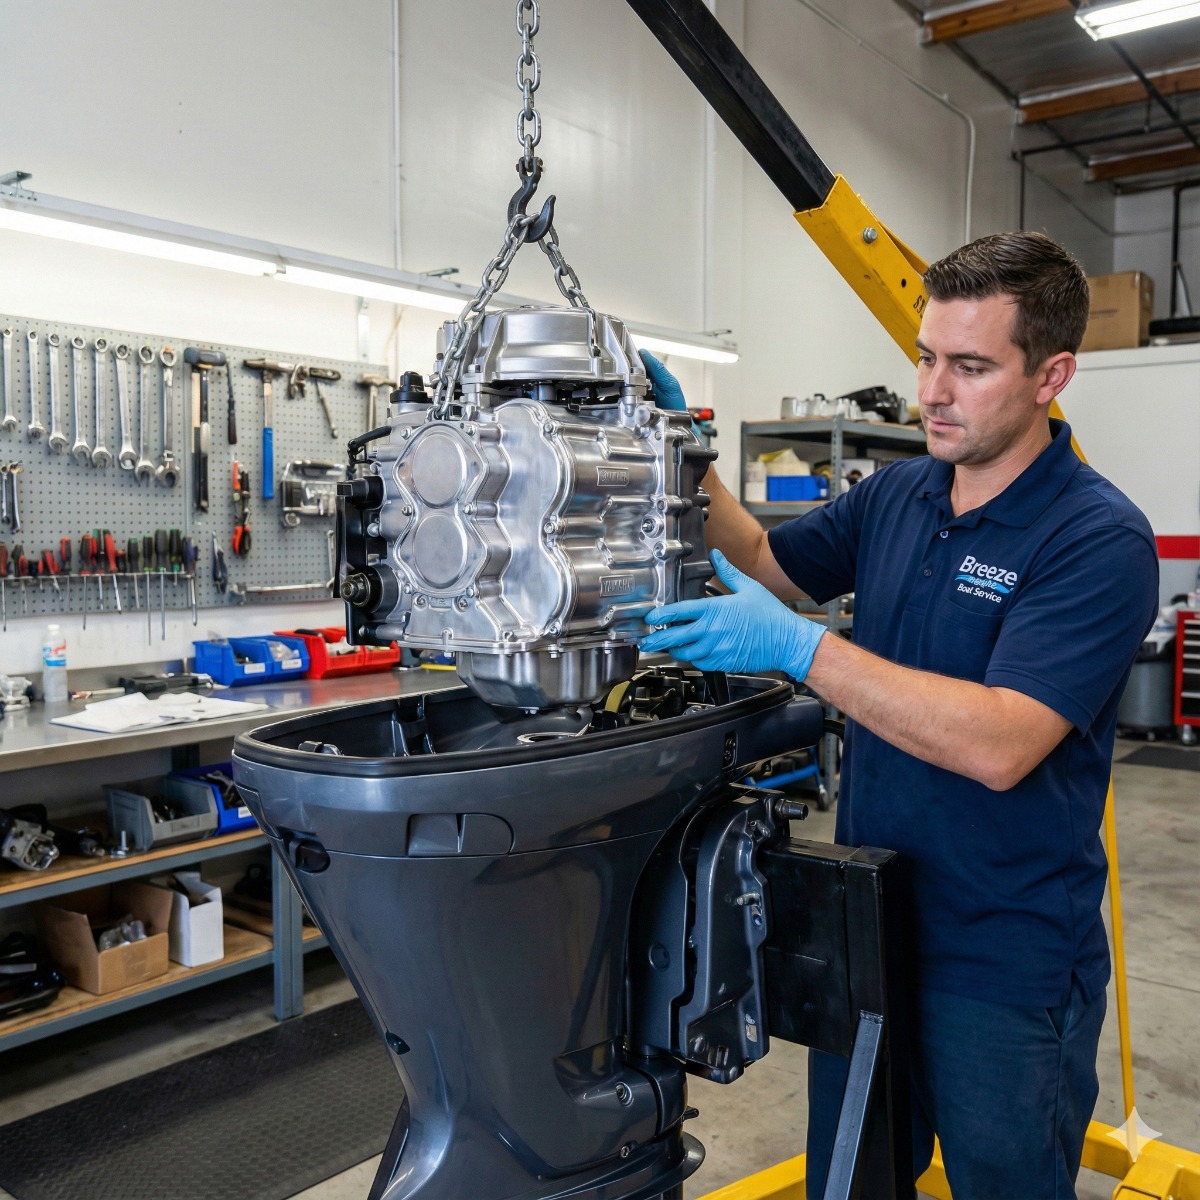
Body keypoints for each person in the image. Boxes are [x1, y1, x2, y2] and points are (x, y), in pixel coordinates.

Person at [639, 231, 1159, 1200]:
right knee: (857, 1184)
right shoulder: (899, 495)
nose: (932, 392)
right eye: (925, 358)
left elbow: (1004, 742)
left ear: (1052, 376)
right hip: (866, 930)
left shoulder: (1097, 539)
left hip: (1004, 962)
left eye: (970, 367)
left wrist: (803, 651)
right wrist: (682, 448)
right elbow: (766, 559)